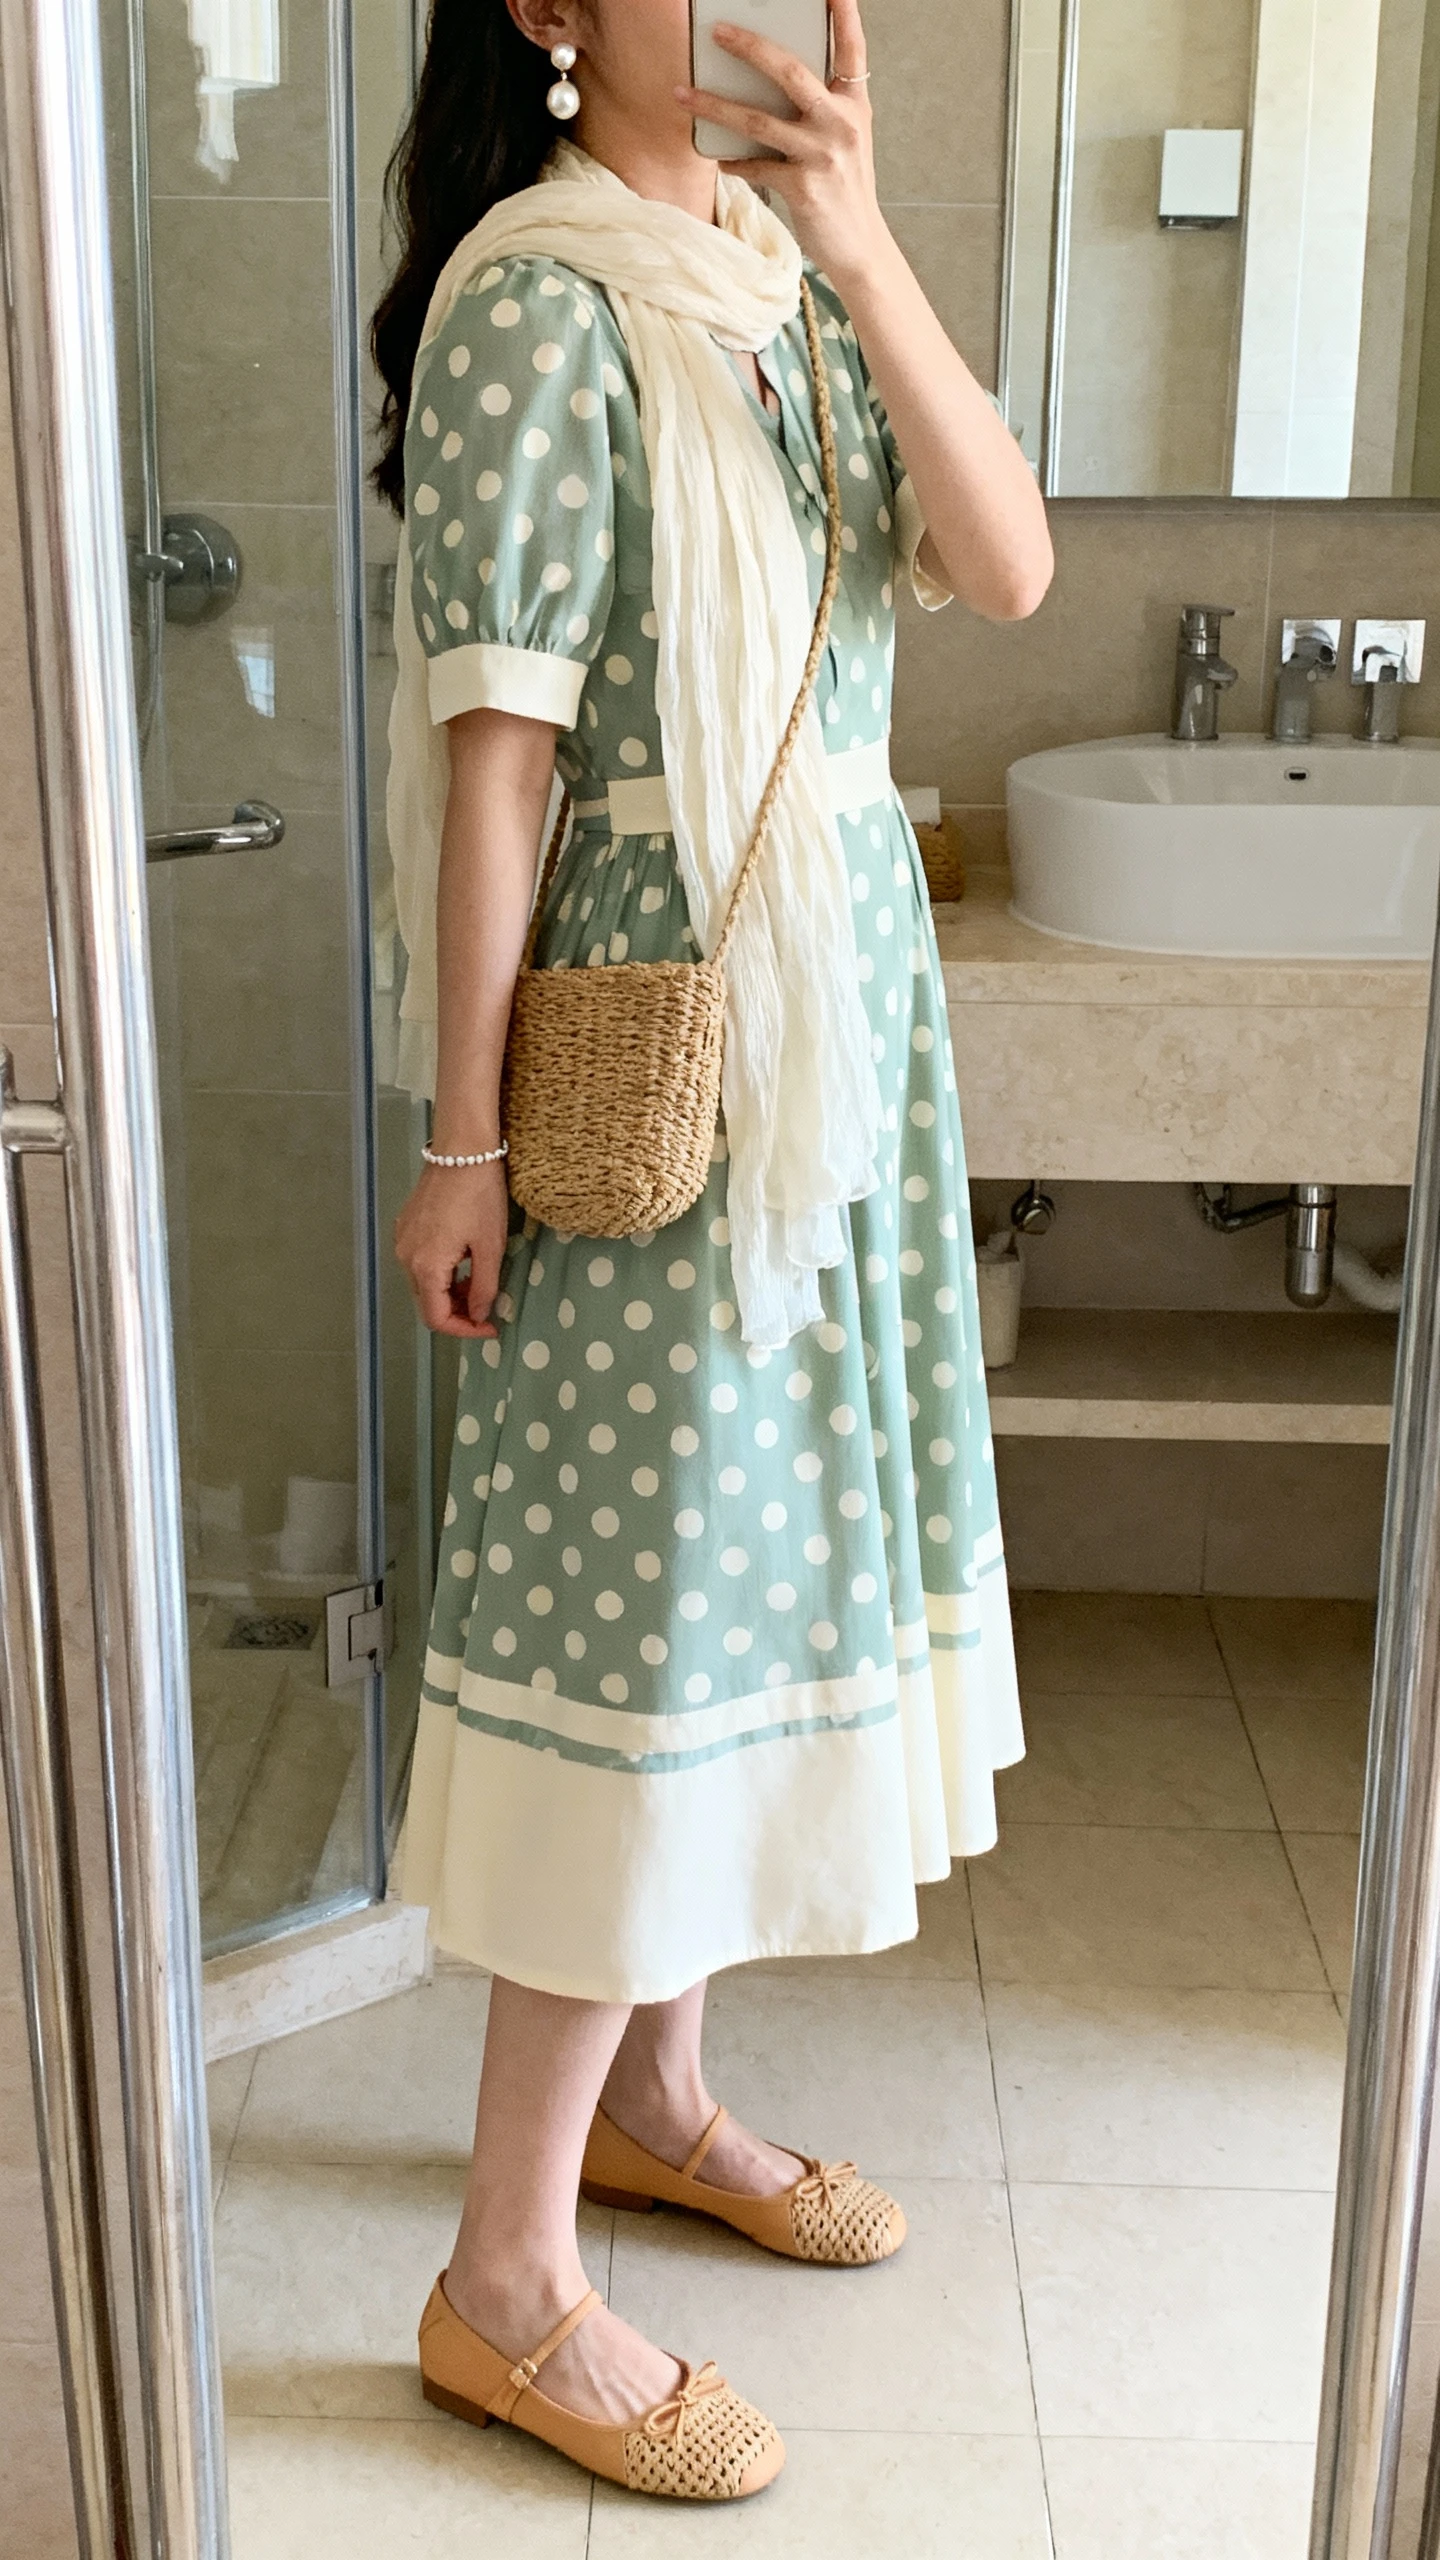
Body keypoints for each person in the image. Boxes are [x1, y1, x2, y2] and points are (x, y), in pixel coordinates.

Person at [372, 0, 1053, 2505]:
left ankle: (660, 2097)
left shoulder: (784, 278)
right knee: (641, 1624)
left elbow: (1007, 563)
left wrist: (863, 238)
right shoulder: (537, 306)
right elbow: (504, 759)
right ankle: (504, 2271)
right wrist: (465, 1141)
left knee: (745, 1594)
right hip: (655, 1052)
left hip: (837, 1031)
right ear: (550, 8)